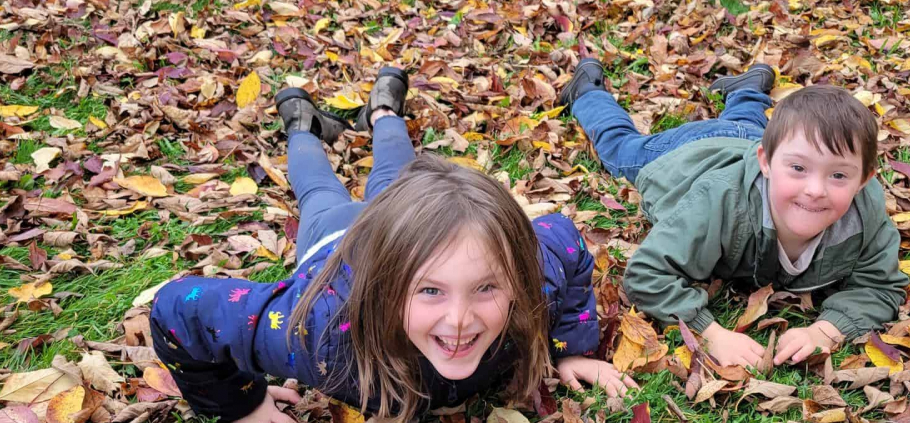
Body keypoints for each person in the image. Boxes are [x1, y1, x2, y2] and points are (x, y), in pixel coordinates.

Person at [149, 67, 636, 423]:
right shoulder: (315, 330)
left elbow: (567, 242)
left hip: (417, 224)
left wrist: (571, 348)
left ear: (519, 279)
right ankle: (301, 125)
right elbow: (178, 310)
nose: (460, 320)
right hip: (337, 239)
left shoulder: (532, 281)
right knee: (320, 192)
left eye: (486, 288)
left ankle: (383, 110)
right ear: (382, 287)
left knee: (393, 177)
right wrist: (242, 405)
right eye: (430, 291)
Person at [557, 59, 908, 369]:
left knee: (747, 129)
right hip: (689, 153)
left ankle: (747, 91)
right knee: (619, 148)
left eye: (838, 175)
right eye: (800, 169)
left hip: (751, 141)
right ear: (766, 163)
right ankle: (587, 91)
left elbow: (881, 287)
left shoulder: (865, 211)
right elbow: (647, 274)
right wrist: (710, 333)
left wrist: (827, 330)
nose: (816, 189)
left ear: (864, 180)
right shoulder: (720, 201)